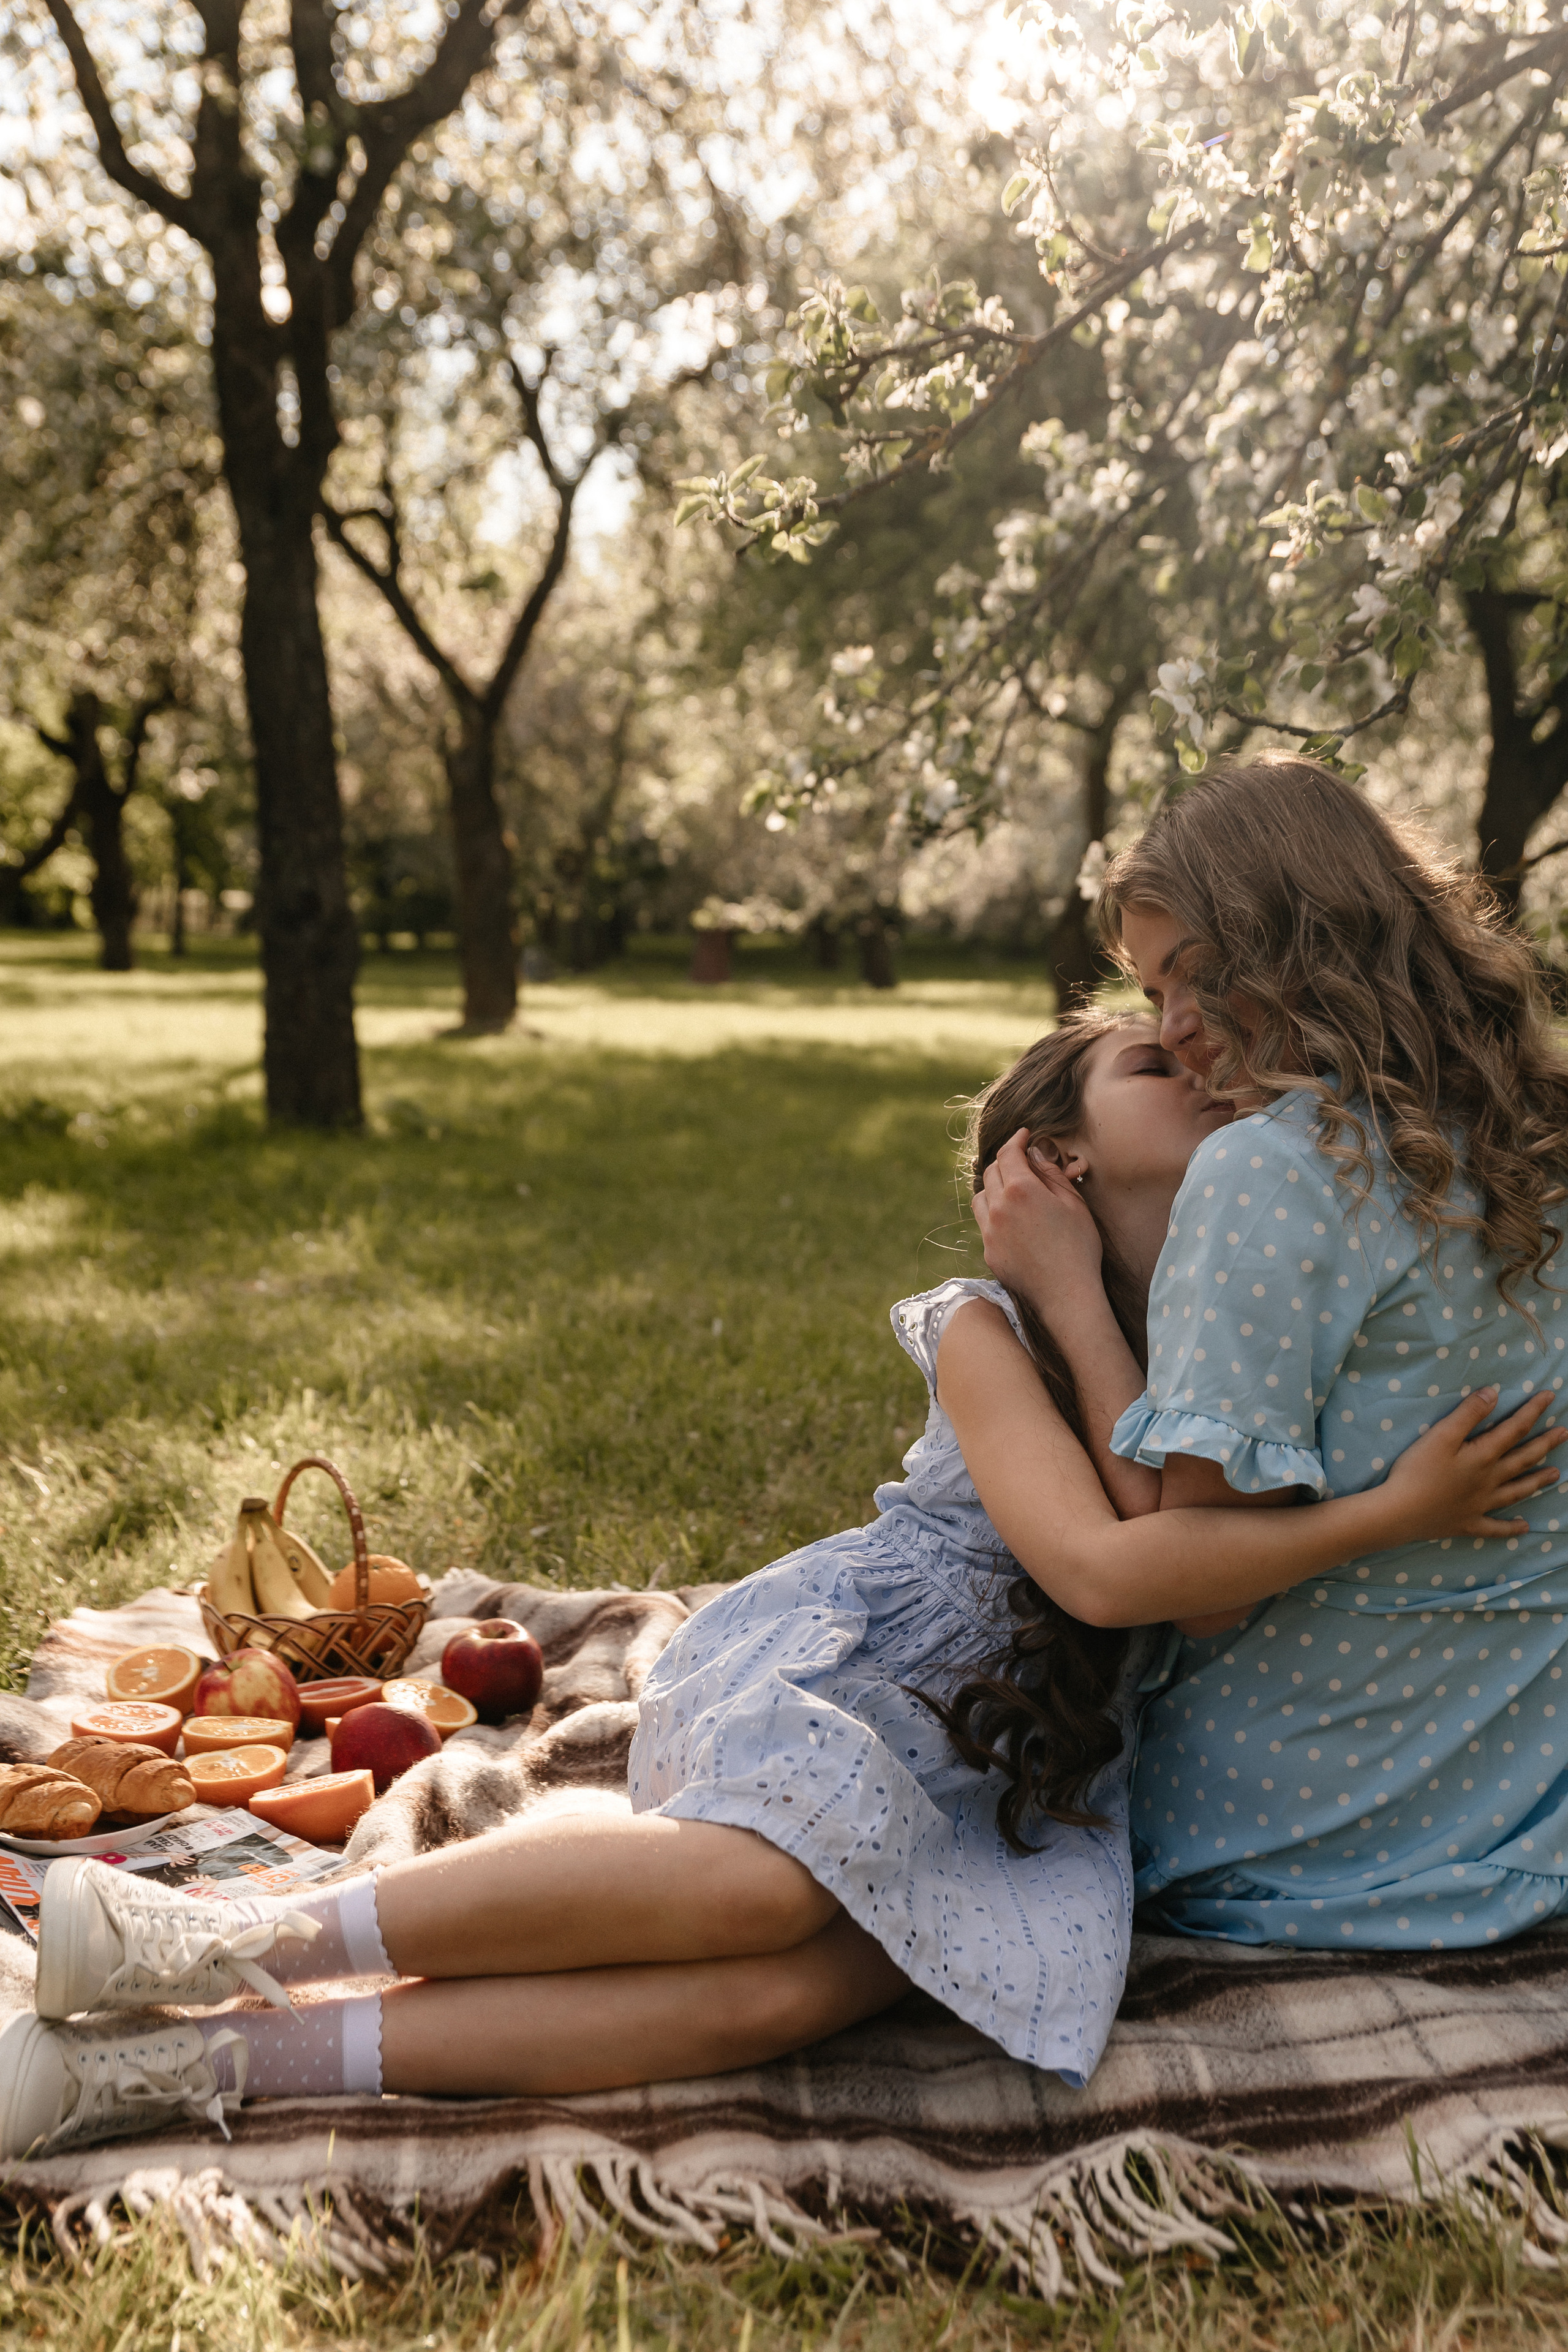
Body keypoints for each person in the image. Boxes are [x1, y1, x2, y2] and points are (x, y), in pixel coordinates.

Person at [2, 1011, 1556, 2158]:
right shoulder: (986, 1327)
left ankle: (175, 2074)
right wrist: (1382, 1509)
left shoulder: (1207, 1333)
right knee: (766, 1889)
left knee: (777, 1999)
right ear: (1056, 1159)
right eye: (1156, 1062)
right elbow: (1112, 1562)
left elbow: (1182, 1547)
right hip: (863, 1676)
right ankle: (213, 1944)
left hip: (1017, 1767)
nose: (1205, 1066)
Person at [976, 753, 1568, 1950]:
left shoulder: (1272, 1170)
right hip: (1525, 1806)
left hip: (1308, 1833)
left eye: (1190, 977)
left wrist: (1074, 1304)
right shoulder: (1537, 1130)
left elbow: (1199, 1590)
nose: (1175, 1029)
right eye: (1149, 999)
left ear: (1301, 937)